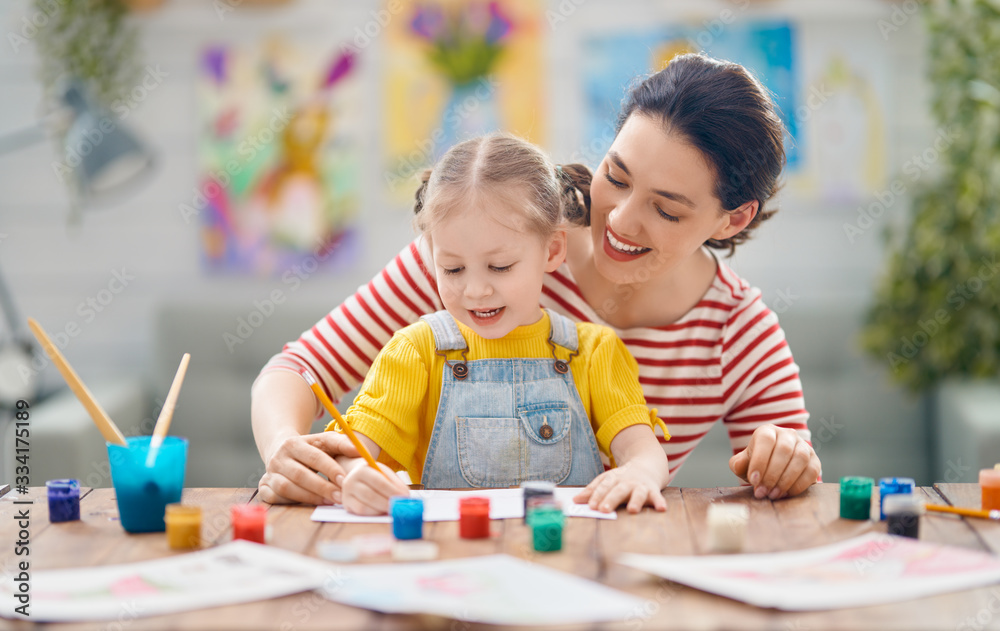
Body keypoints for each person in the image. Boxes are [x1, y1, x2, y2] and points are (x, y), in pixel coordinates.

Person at [251, 53, 821, 507]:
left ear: (732, 218)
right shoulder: (489, 251)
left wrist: (786, 460)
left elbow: (786, 474)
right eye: (616, 176)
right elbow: (298, 370)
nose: (618, 220)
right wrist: (286, 450)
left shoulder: (736, 331)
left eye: (666, 210)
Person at [328, 133, 670, 515]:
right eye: (452, 269)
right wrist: (355, 474)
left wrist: (641, 471)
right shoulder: (415, 352)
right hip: (452, 559)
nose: (475, 290)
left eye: (500, 266)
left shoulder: (594, 353)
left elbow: (643, 451)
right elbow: (351, 453)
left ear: (553, 250)